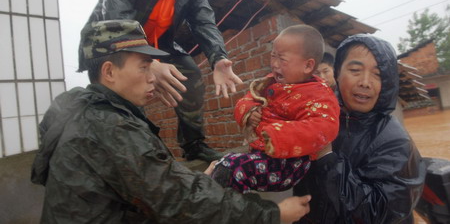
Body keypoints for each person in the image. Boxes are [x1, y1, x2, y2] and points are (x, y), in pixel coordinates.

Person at [31, 19, 312, 223]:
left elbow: (144, 186)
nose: (152, 77)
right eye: (143, 67)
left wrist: (190, 182)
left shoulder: (82, 112)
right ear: (109, 72)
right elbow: (176, 199)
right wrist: (271, 214)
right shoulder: (108, 125)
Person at [78, 0, 242, 162]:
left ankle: (194, 144)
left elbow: (204, 21)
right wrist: (148, 63)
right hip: (112, 44)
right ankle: (138, 153)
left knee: (190, 75)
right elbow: (117, 21)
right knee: (129, 88)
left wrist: (218, 58)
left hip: (158, 43)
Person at [293, 34, 426, 223]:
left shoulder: (395, 141)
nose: (365, 82)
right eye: (355, 70)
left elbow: (376, 214)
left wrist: (325, 155)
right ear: (338, 73)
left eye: (378, 74)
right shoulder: (319, 115)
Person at [211, 25, 340, 193]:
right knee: (224, 165)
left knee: (230, 168)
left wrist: (278, 135)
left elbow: (324, 127)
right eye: (273, 56)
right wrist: (249, 111)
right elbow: (247, 99)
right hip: (260, 154)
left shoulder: (318, 95)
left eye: (282, 59)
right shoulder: (270, 82)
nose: (275, 64)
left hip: (288, 165)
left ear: (308, 66)